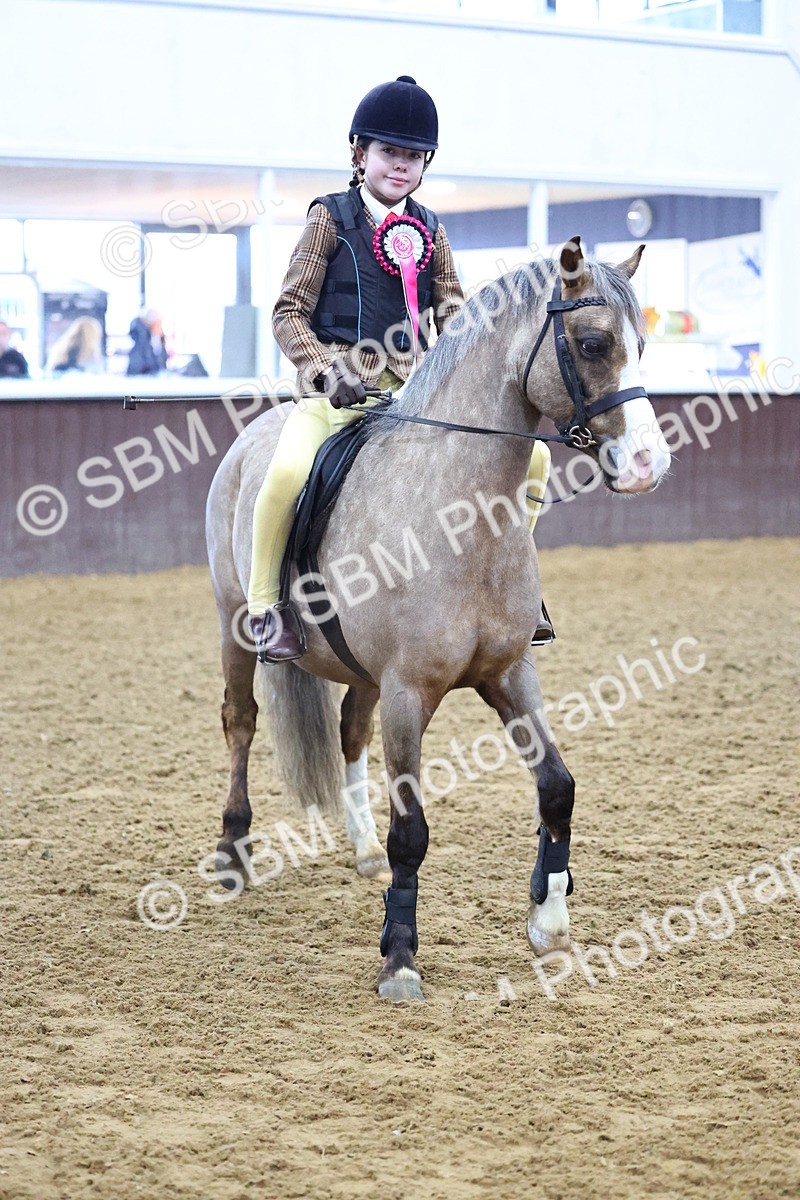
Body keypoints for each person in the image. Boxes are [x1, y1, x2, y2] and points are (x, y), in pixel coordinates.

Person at [248, 75, 553, 662]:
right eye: (390, 153)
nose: (401, 166)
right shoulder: (329, 219)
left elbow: (456, 316)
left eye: (413, 157)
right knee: (285, 472)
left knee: (534, 457)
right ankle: (266, 609)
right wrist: (324, 366)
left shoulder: (431, 229)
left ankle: (514, 591)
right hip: (338, 396)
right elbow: (288, 313)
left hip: (415, 397)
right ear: (360, 154)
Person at [126, 308, 167, 375]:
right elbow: (136, 371)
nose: (161, 328)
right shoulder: (140, 348)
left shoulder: (158, 343)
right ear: (152, 325)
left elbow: (162, 366)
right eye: (159, 324)